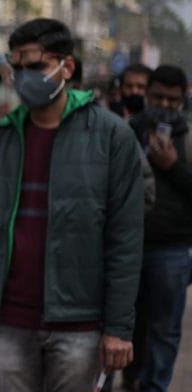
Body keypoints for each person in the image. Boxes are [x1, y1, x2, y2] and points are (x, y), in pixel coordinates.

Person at [0, 18, 144, 391]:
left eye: (36, 66)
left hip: (80, 324)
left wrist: (118, 328)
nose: (24, 77)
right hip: (8, 322)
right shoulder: (4, 137)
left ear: (67, 67)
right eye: (18, 68)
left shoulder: (111, 137)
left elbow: (125, 241)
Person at [128, 64, 192, 392]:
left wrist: (173, 167)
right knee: (126, 326)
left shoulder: (188, 138)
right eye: (158, 97)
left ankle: (154, 386)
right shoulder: (128, 131)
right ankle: (128, 379)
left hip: (173, 249)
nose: (165, 105)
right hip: (128, 246)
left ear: (183, 100)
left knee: (164, 330)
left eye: (173, 100)